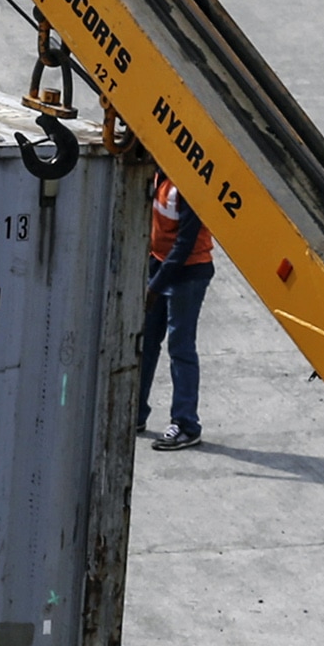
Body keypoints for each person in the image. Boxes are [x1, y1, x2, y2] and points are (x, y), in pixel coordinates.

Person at [137, 176, 214, 450]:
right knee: (146, 342)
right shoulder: (159, 174)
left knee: (181, 348)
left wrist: (154, 287)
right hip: (161, 266)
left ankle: (186, 424)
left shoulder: (188, 184)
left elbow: (184, 244)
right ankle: (136, 411)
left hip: (188, 274)